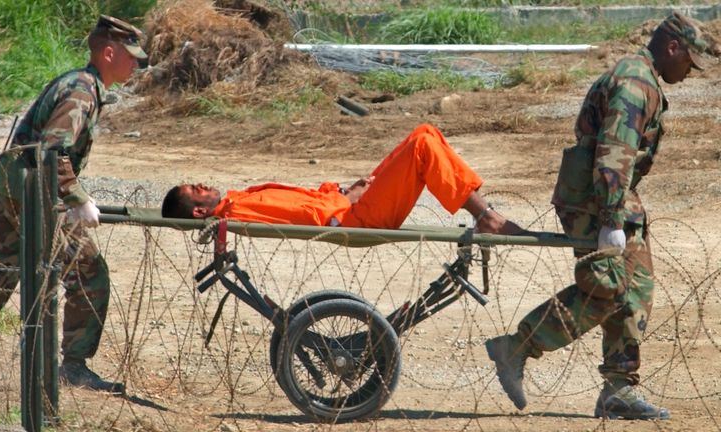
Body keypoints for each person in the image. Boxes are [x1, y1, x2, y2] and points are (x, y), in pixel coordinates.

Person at [484, 11, 707, 420]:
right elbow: (613, 153)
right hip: (596, 199)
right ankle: (517, 346)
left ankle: (618, 389)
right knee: (608, 288)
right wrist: (610, 220)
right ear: (672, 47)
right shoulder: (635, 84)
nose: (690, 72)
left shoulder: (642, 77)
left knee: (633, 292)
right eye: (689, 62)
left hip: (612, 198)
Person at [0, 16, 147, 393]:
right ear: (109, 53)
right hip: (33, 194)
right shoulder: (82, 91)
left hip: (17, 188)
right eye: (131, 56)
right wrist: (77, 199)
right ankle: (73, 366)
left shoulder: (84, 84)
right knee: (89, 271)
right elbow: (51, 150)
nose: (135, 64)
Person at [162, 123, 522, 236]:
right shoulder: (240, 209)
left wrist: (345, 189)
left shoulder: (236, 200)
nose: (205, 186)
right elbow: (310, 217)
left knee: (423, 131)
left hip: (350, 204)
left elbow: (307, 200)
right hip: (356, 219)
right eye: (197, 191)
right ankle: (486, 217)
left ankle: (481, 210)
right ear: (197, 212)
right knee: (424, 147)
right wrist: (349, 200)